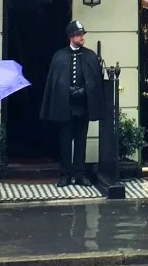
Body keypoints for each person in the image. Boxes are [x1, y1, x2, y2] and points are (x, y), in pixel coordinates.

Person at [40, 20, 104, 188]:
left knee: (81, 142)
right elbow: (55, 81)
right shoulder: (59, 56)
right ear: (71, 36)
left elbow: (95, 81)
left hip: (82, 106)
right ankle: (65, 174)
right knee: (65, 142)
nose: (82, 37)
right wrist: (66, 90)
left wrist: (84, 90)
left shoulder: (90, 55)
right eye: (78, 34)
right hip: (65, 106)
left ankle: (80, 174)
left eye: (82, 34)